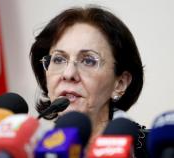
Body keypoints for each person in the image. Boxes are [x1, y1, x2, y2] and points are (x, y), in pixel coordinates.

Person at [30, 5, 148, 157]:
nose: (68, 74)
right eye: (58, 59)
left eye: (88, 61)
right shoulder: (30, 151)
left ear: (120, 83)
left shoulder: (158, 151)